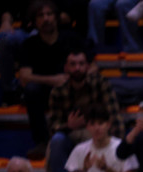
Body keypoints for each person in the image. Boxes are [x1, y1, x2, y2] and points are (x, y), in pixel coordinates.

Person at [17, 1, 92, 157]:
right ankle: (42, 142)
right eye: (41, 15)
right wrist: (54, 80)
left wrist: (76, 77)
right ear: (34, 21)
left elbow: (94, 66)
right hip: (45, 92)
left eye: (49, 14)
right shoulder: (29, 45)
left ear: (56, 17)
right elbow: (24, 77)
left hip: (72, 89)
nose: (46, 19)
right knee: (31, 90)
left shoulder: (72, 38)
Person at [46, 45, 124, 172]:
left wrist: (119, 147)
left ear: (88, 66)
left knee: (96, 138)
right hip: (69, 135)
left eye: (81, 64)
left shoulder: (100, 84)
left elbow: (114, 115)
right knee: (56, 140)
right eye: (73, 64)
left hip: (94, 132)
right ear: (66, 68)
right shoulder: (58, 91)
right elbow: (52, 127)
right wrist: (68, 126)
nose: (77, 68)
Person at [61, 108, 137, 172]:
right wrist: (84, 170)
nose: (96, 128)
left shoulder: (121, 147)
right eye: (92, 124)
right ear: (87, 127)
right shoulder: (79, 149)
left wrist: (107, 170)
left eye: (100, 123)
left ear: (108, 124)